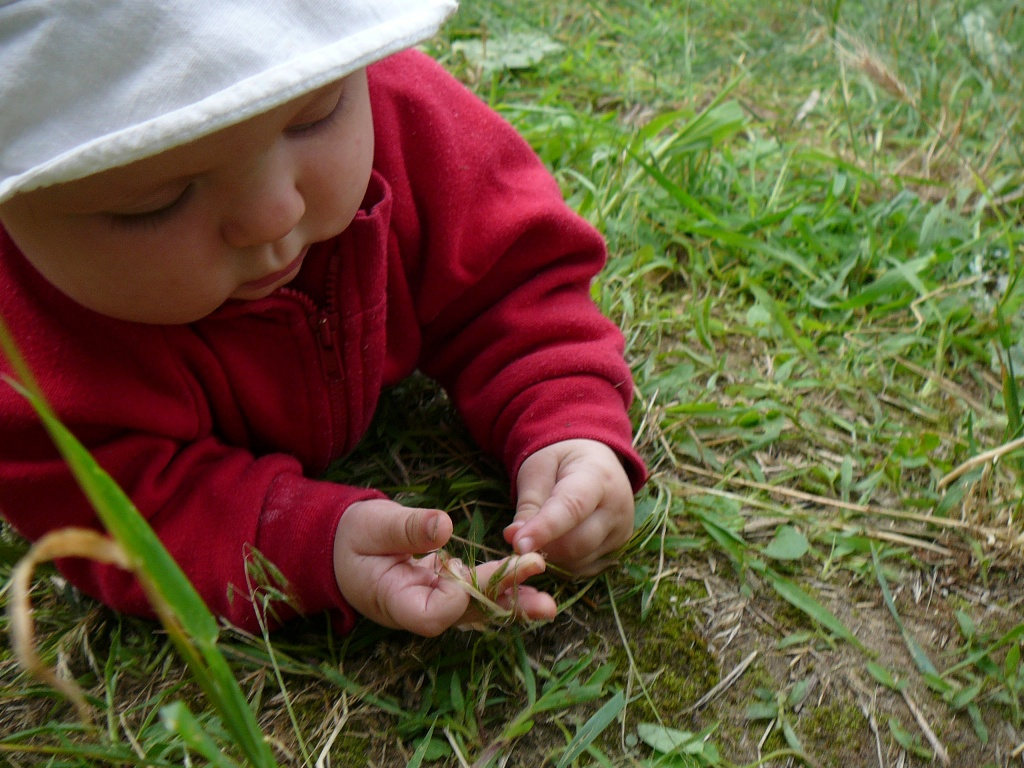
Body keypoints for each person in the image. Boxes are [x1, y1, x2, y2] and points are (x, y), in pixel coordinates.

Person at [0, 0, 647, 637]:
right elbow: (115, 503)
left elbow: (511, 276)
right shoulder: (23, 360)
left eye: (313, 119)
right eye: (155, 204)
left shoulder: (397, 111)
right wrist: (307, 543)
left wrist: (564, 416)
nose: (273, 213)